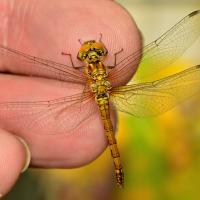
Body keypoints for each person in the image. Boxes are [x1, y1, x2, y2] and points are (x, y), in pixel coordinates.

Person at [0, 0, 141, 196]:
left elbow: (77, 69)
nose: (92, 55)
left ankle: (117, 170)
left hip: (94, 94)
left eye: (94, 53)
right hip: (103, 94)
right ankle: (119, 170)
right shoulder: (104, 68)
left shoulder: (85, 71)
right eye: (89, 54)